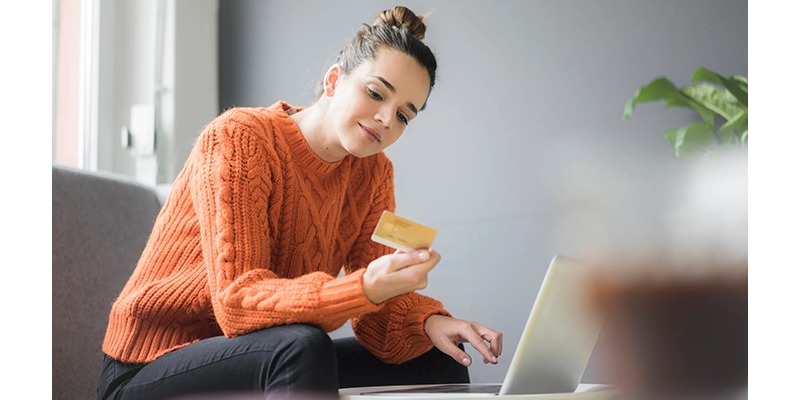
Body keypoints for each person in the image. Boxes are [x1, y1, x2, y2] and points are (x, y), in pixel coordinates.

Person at [97, 6, 503, 400]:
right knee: (301, 346)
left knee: (439, 359)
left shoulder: (373, 173)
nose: (385, 118)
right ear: (332, 81)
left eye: (403, 115)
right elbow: (238, 304)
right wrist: (364, 286)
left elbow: (374, 314)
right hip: (150, 365)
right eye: (376, 93)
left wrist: (428, 321)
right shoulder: (241, 138)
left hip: (266, 352)